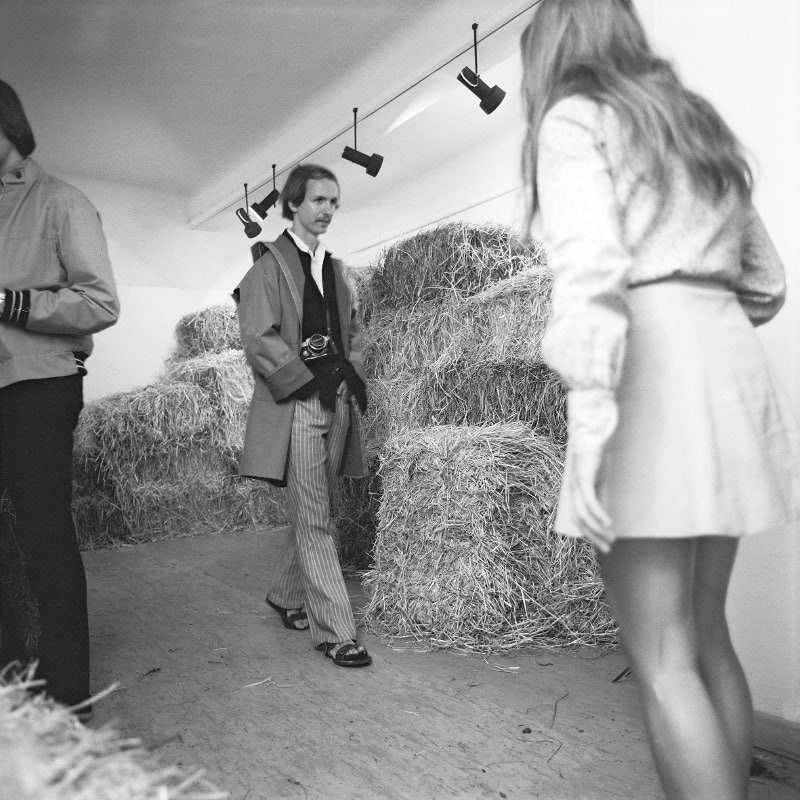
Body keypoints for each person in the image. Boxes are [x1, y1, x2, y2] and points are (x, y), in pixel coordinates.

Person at [520, 2, 800, 798]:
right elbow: (766, 282)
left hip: (647, 368)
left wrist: (590, 425)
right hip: (727, 362)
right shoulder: (692, 122)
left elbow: (591, 275)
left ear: (552, 49)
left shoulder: (575, 118)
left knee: (661, 655)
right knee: (707, 634)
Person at [0, 80, 120, 717]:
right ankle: (9, 678)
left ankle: (69, 691)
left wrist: (10, 302)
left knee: (44, 531)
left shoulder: (61, 201)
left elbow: (101, 302)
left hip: (38, 386)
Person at [235, 163, 372, 668]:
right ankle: (335, 632)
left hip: (339, 402)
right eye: (318, 200)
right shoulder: (267, 268)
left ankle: (286, 594)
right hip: (297, 404)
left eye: (334, 202)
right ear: (293, 203)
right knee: (315, 518)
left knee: (317, 507)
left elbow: (354, 332)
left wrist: (351, 375)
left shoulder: (335, 270)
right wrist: (305, 382)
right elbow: (257, 337)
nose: (327, 210)